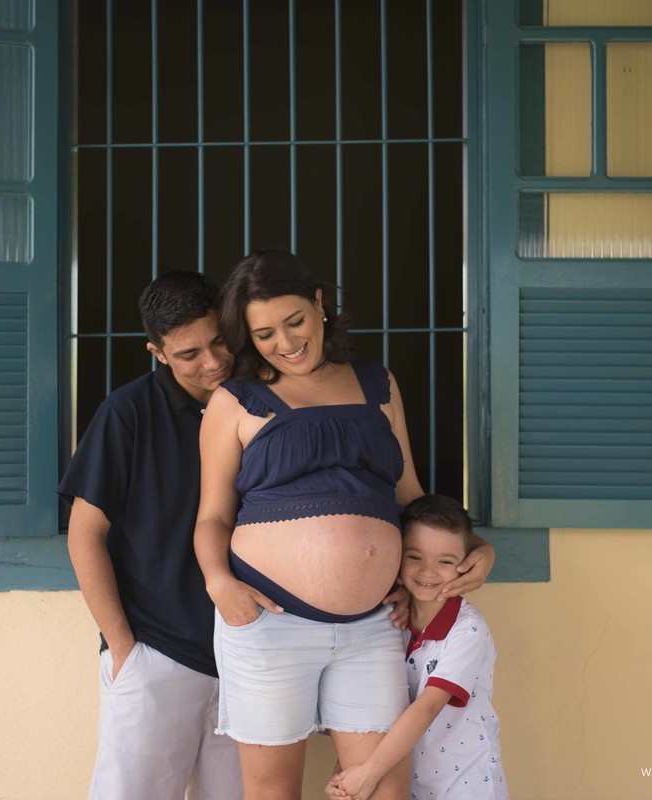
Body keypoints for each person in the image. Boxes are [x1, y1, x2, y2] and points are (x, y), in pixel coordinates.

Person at [194, 249, 494, 800]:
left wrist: (474, 548)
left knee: (382, 790)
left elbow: (411, 501)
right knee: (272, 793)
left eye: (294, 322)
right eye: (264, 335)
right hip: (269, 625)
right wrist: (219, 583)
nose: (284, 343)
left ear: (319, 305)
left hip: (371, 628)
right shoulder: (234, 401)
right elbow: (212, 516)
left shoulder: (378, 385)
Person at [57, 270, 242, 800]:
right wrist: (124, 650)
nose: (211, 362)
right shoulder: (128, 412)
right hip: (157, 653)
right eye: (188, 354)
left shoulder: (261, 402)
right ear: (157, 352)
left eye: (218, 341)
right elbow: (84, 535)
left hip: (250, 653)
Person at [325, 495, 508, 800]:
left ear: (465, 565)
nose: (428, 572)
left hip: (464, 785)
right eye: (415, 557)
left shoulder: (467, 629)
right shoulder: (389, 622)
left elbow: (427, 707)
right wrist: (345, 771)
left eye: (445, 561)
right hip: (405, 782)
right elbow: (375, 714)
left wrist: (368, 773)